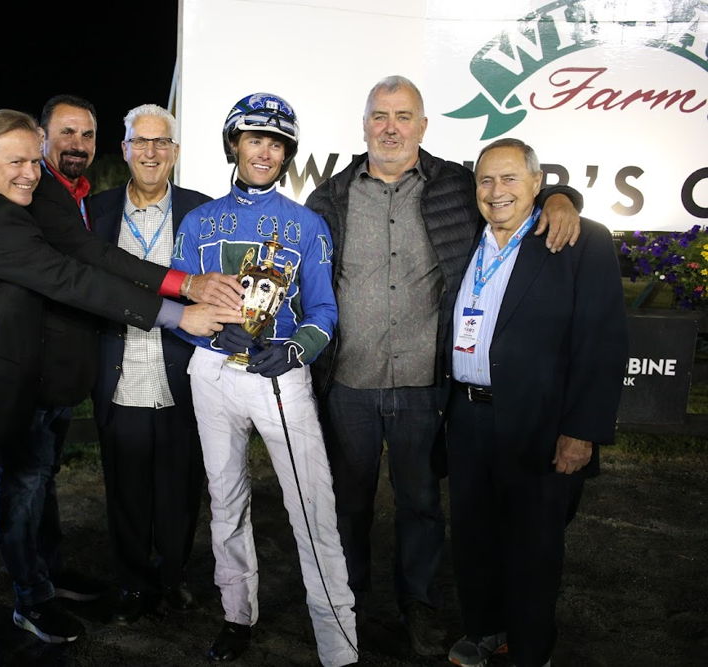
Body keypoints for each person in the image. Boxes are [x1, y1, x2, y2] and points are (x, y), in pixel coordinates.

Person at [0, 109, 240, 666]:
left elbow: (87, 256)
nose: (31, 174)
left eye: (34, 161)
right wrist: (179, 315)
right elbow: (74, 279)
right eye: (16, 162)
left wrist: (181, 283)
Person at [304, 75, 582, 655]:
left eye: (403, 116)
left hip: (426, 386)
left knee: (422, 506)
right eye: (380, 115)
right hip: (347, 382)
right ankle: (347, 606)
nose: (390, 127)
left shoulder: (458, 184)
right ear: (363, 125)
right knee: (347, 505)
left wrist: (562, 198)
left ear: (423, 126)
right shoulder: (329, 196)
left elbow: (515, 190)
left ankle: (420, 607)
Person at [172, 92, 358, 667]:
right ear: (234, 143)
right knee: (225, 501)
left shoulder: (308, 224)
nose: (265, 151)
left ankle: (338, 642)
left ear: (287, 153)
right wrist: (205, 336)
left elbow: (325, 311)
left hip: (279, 377)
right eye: (254, 138)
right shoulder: (196, 222)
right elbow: (183, 307)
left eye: (276, 142)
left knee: (313, 507)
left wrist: (294, 349)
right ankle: (236, 615)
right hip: (212, 374)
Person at [445, 138, 627, 667]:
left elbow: (603, 342)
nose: (496, 191)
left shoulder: (577, 242)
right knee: (474, 536)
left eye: (509, 180)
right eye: (486, 180)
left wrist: (582, 431)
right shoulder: (466, 241)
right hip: (467, 416)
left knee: (534, 545)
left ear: (537, 184)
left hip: (541, 424)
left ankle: (530, 649)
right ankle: (482, 630)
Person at [88, 104, 211, 624]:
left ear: (176, 153)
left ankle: (173, 575)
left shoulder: (202, 212)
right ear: (124, 150)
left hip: (182, 375)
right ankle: (133, 583)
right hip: (119, 376)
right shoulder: (94, 214)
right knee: (126, 490)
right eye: (141, 142)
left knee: (181, 489)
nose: (151, 152)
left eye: (162, 143)